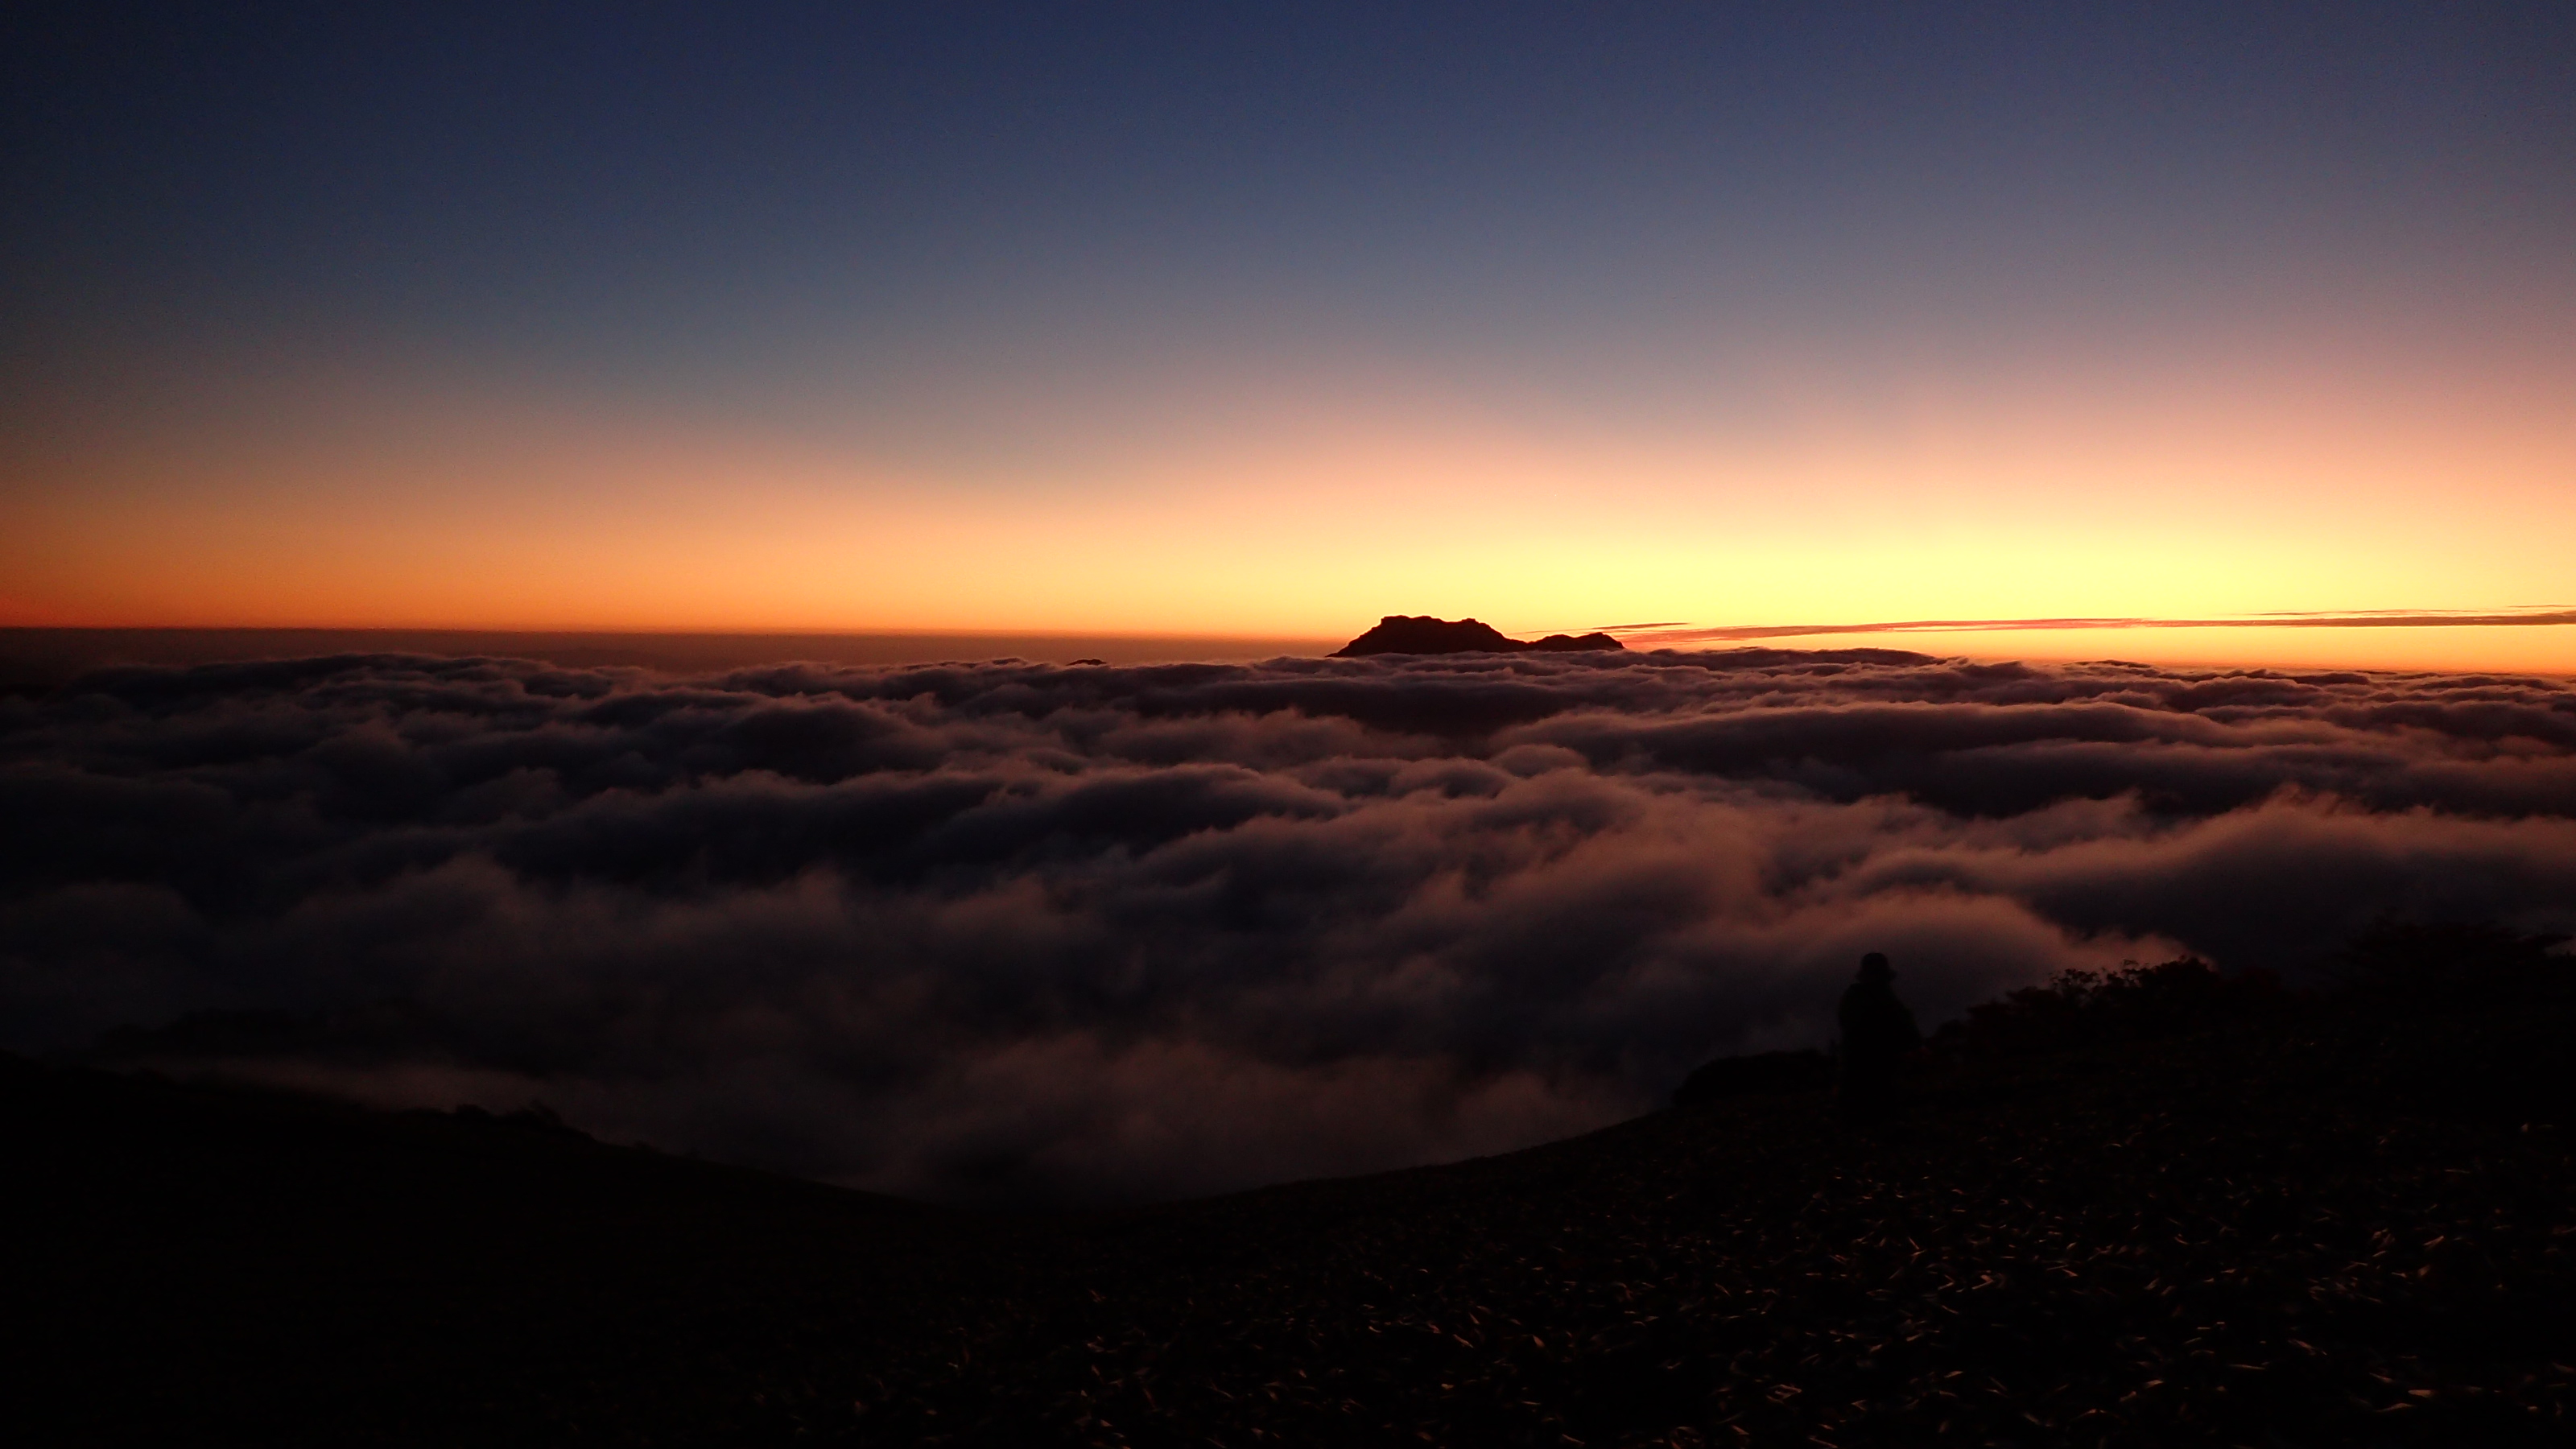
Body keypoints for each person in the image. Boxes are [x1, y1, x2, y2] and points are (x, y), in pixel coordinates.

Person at [1836, 952, 1921, 1122]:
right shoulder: (1889, 1001)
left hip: (1855, 1076)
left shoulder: (1852, 998)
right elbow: (1910, 1035)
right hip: (1882, 1078)